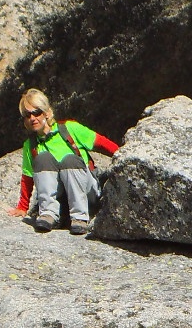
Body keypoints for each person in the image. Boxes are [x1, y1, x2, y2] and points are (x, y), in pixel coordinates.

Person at [12, 89, 120, 234]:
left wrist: (123, 157)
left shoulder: (70, 128)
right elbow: (27, 178)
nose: (32, 118)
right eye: (27, 115)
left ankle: (80, 218)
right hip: (61, 200)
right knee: (43, 159)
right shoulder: (30, 145)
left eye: (37, 112)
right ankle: (48, 215)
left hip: (87, 193)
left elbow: (102, 143)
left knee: (69, 160)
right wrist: (22, 207)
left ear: (47, 113)